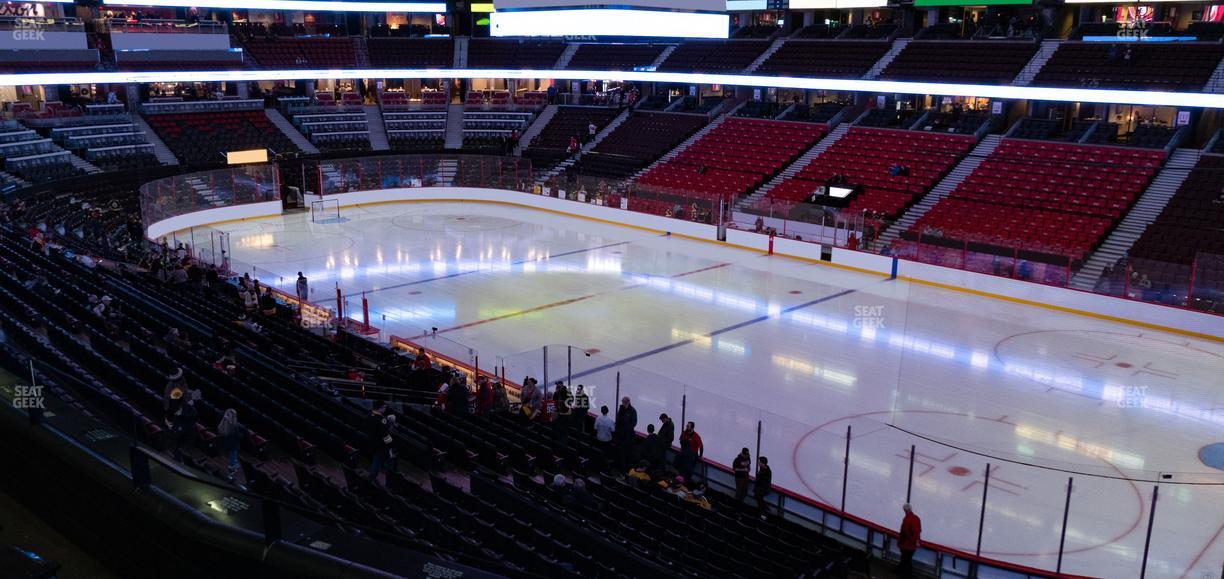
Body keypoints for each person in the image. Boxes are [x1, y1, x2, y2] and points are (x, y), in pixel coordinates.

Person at [367, 401, 396, 483]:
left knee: (376, 461)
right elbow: (385, 435)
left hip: (373, 443)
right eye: (384, 407)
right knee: (389, 463)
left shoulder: (369, 415)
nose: (385, 409)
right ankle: (389, 481)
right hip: (383, 446)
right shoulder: (382, 419)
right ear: (380, 408)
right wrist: (391, 444)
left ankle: (372, 479)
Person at [897, 503, 922, 578]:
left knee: (905, 561)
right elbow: (919, 530)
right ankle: (908, 575)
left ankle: (905, 575)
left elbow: (905, 533)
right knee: (908, 561)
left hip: (906, 545)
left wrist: (900, 543)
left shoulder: (906, 520)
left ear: (904, 510)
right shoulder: (917, 518)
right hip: (913, 546)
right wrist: (916, 541)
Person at [217, 408, 241, 481]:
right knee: (233, 455)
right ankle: (231, 470)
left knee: (233, 455)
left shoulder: (224, 422)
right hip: (233, 443)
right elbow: (237, 435)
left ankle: (234, 464)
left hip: (226, 443)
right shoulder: (234, 425)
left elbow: (220, 430)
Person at [614, 396, 638, 469]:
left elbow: (634, 423)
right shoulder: (621, 409)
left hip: (627, 436)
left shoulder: (632, 411)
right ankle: (618, 465)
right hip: (619, 435)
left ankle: (625, 468)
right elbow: (618, 418)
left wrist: (625, 429)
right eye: (622, 402)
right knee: (619, 452)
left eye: (623, 402)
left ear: (627, 402)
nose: (622, 403)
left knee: (626, 453)